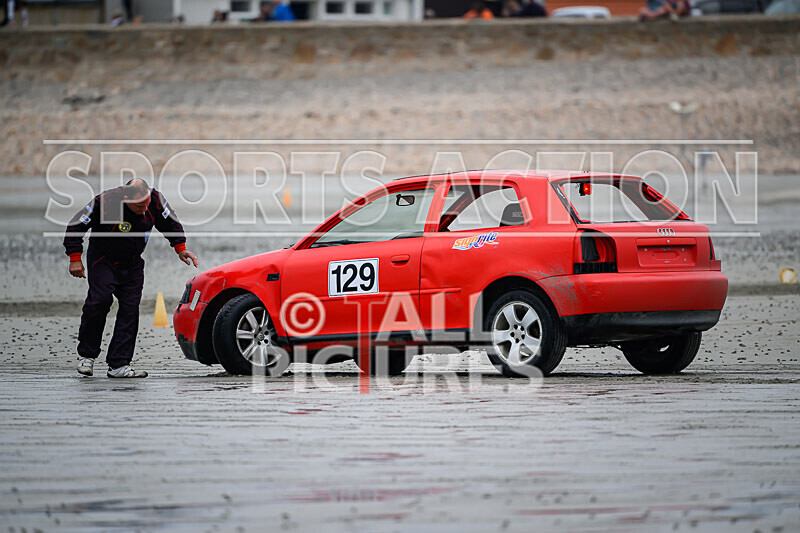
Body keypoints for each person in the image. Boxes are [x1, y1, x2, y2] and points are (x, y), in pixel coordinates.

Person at [64, 179, 199, 378]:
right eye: (139, 206)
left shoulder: (155, 200)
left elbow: (169, 222)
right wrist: (75, 258)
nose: (144, 209)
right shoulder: (106, 202)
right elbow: (76, 226)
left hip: (132, 264)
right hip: (103, 260)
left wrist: (180, 247)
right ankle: (87, 356)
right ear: (126, 199)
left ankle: (119, 364)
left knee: (130, 310)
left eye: (146, 204)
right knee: (99, 302)